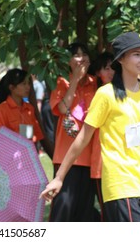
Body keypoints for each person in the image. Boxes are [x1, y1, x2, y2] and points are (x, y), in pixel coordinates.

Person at [41, 32, 140, 222]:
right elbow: (82, 138)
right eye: (136, 54)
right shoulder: (106, 95)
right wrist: (59, 177)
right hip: (119, 184)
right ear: (121, 59)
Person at [48, 42, 98, 221]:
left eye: (84, 54)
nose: (81, 58)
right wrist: (75, 80)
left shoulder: (96, 83)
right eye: (76, 55)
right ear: (68, 61)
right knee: (63, 209)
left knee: (84, 211)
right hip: (65, 158)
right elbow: (62, 108)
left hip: (90, 158)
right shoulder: (61, 82)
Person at [88, 51, 115, 221]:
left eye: (114, 68)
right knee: (108, 213)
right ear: (98, 72)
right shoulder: (94, 95)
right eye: (107, 68)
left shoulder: (125, 92)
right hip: (100, 162)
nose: (111, 72)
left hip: (123, 165)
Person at [0, 68, 45, 152]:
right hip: (11, 156)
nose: (28, 87)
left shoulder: (29, 108)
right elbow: (0, 138)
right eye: (23, 84)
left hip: (29, 154)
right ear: (12, 87)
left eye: (29, 83)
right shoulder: (2, 109)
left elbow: (35, 136)